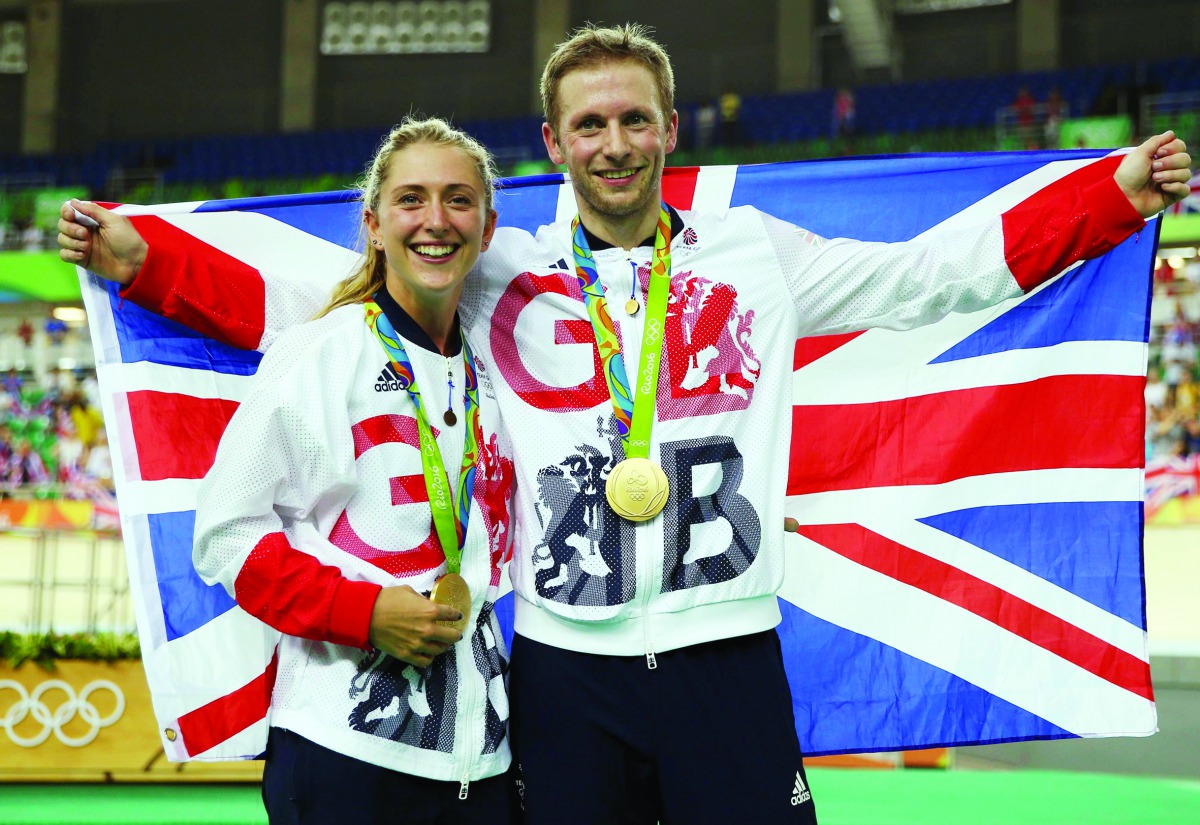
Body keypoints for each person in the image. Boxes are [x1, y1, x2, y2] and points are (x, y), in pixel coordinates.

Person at [59, 23, 1192, 825]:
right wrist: (145, 262)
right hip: (566, 674)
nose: (613, 144)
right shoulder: (499, 267)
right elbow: (321, 301)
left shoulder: (753, 256)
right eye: (589, 125)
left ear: (668, 130)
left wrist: (1111, 196)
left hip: (726, 657)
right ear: (554, 144)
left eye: (634, 120)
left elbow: (927, 277)